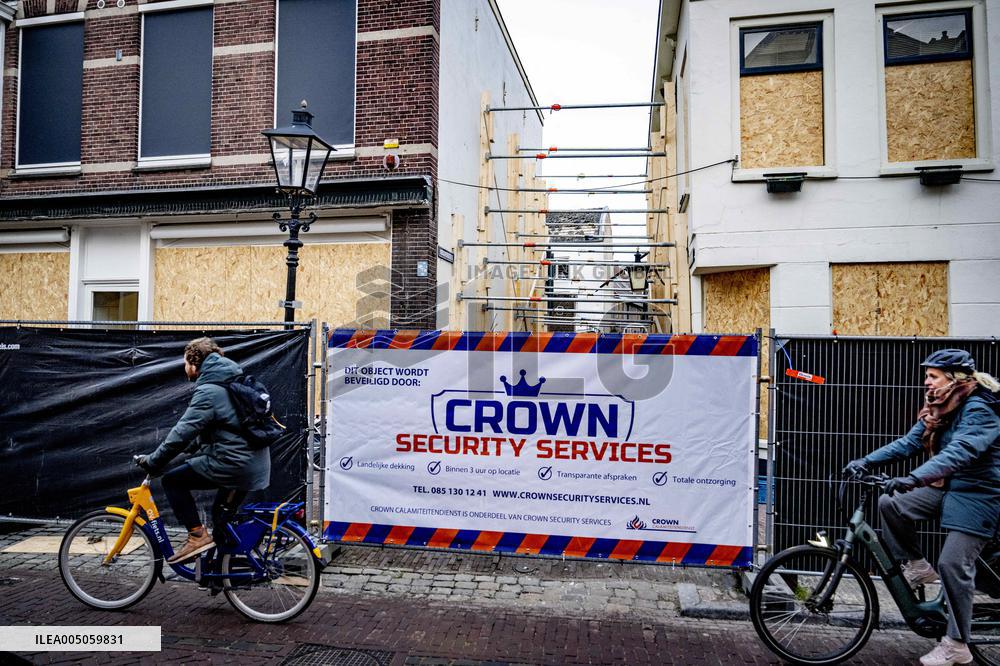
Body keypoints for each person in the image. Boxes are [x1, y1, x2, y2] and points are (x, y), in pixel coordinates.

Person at [844, 349, 1000, 666]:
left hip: (979, 494)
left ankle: (957, 644)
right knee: (892, 503)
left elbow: (961, 452)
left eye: (932, 376)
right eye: (926, 376)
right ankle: (915, 565)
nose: (926, 382)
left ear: (954, 378)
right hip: (949, 487)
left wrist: (914, 478)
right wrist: (866, 460)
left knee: (953, 565)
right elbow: (910, 442)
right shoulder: (940, 407)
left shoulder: (979, 409)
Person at [137, 337, 271, 564]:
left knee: (173, 482)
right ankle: (221, 574)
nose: (184, 368)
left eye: (184, 363)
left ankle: (197, 536)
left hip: (234, 464)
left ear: (193, 363)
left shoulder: (209, 391)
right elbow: (204, 435)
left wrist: (154, 462)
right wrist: (179, 453)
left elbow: (181, 433)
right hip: (253, 463)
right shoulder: (229, 380)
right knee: (221, 519)